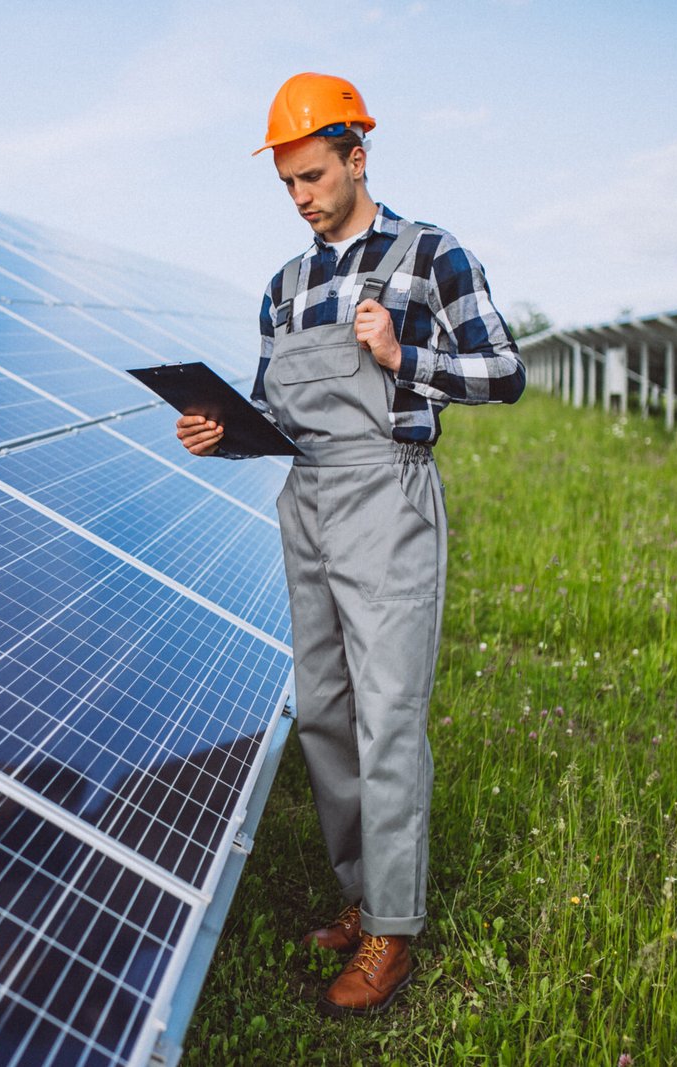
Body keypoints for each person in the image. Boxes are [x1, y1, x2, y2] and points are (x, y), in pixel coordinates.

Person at [176, 72, 525, 1017]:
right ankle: (362, 894)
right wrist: (221, 431)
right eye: (287, 183)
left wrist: (402, 357)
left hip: (388, 497)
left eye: (314, 176)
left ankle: (395, 932)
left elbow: (505, 371)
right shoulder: (283, 288)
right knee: (326, 712)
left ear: (357, 158)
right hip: (308, 500)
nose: (301, 197)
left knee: (388, 714)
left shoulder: (430, 254)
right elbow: (274, 418)